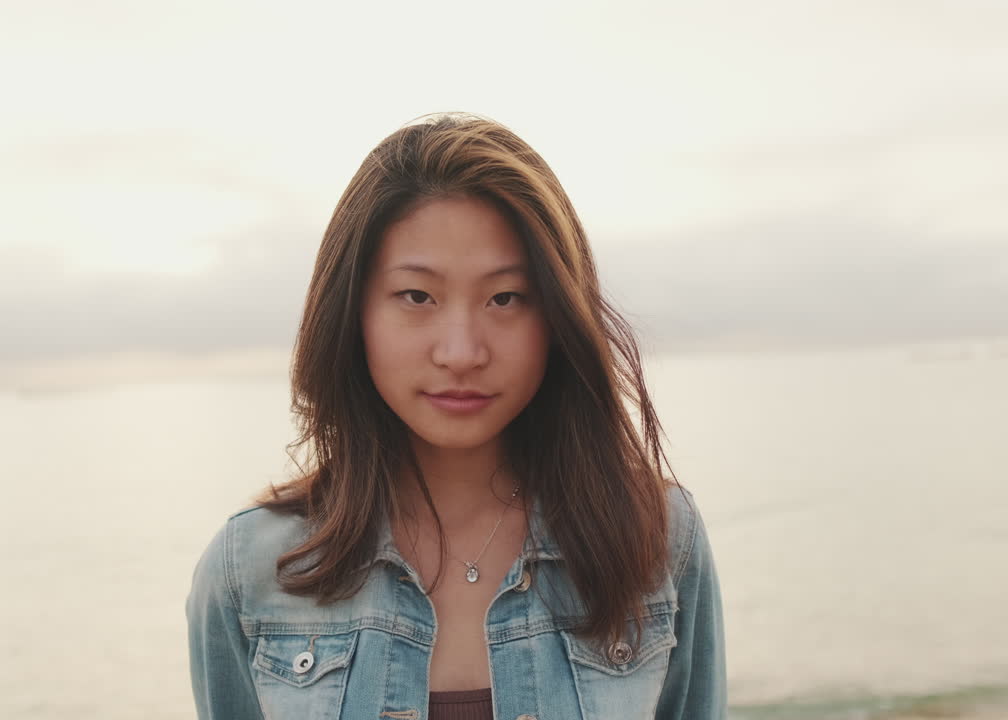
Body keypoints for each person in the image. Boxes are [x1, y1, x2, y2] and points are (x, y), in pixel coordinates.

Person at [185, 112, 726, 719]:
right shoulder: (251, 570)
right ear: (353, 312)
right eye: (417, 296)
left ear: (555, 315)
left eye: (505, 298)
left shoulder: (657, 539)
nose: (462, 352)